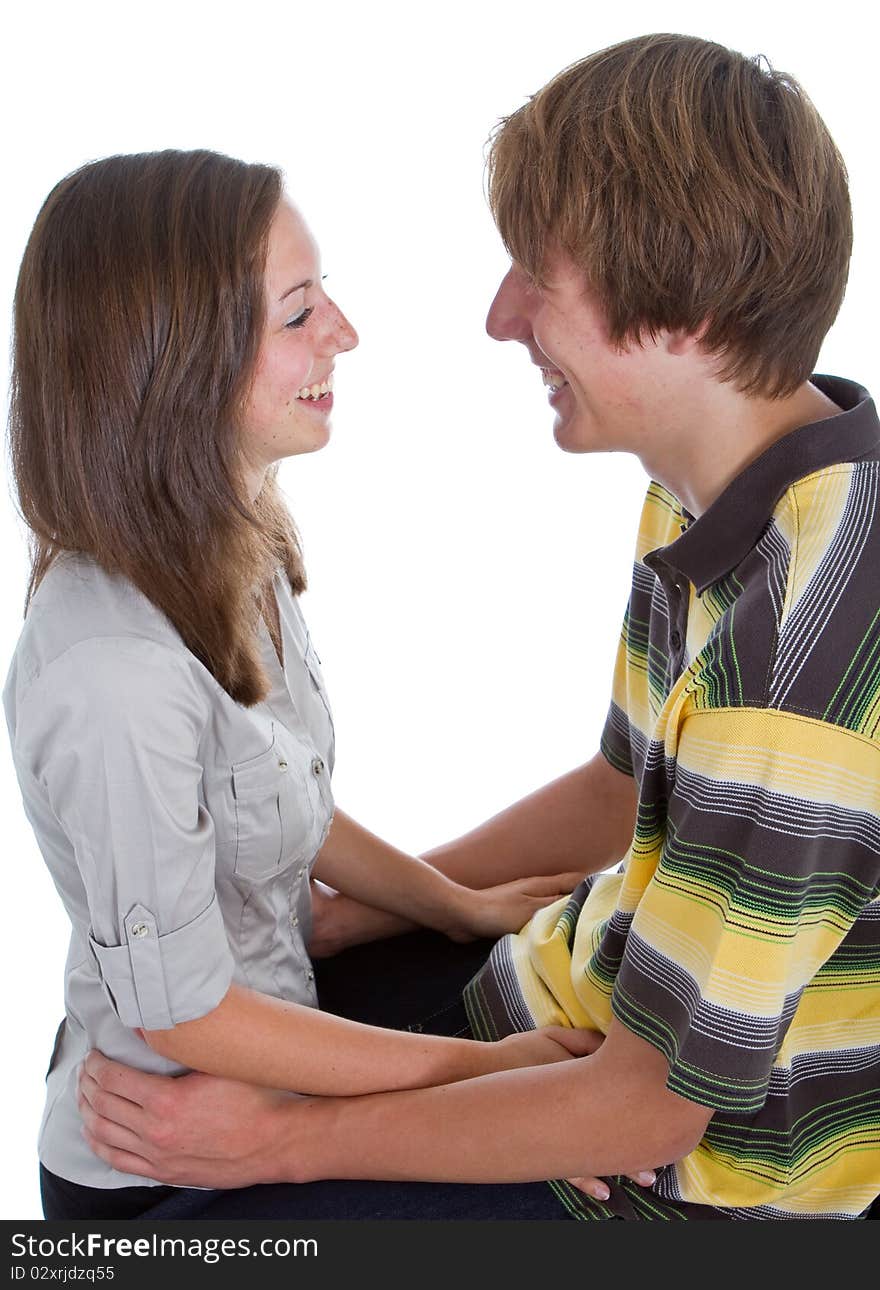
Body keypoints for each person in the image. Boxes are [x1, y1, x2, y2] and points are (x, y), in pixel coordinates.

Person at [35, 31, 880, 1219]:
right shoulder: (714, 485)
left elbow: (647, 1108)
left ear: (677, 307)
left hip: (674, 1169)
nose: (498, 315)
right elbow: (618, 784)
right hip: (582, 998)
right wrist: (405, 907)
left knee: (189, 1210)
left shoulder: (804, 653)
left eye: (539, 271)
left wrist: (285, 1141)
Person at [3, 147, 631, 1223]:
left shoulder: (229, 537)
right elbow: (186, 1016)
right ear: (174, 361)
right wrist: (483, 1080)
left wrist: (454, 906)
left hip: (282, 1043)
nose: (343, 332)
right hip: (171, 1166)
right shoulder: (111, 674)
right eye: (298, 312)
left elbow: (281, 793)